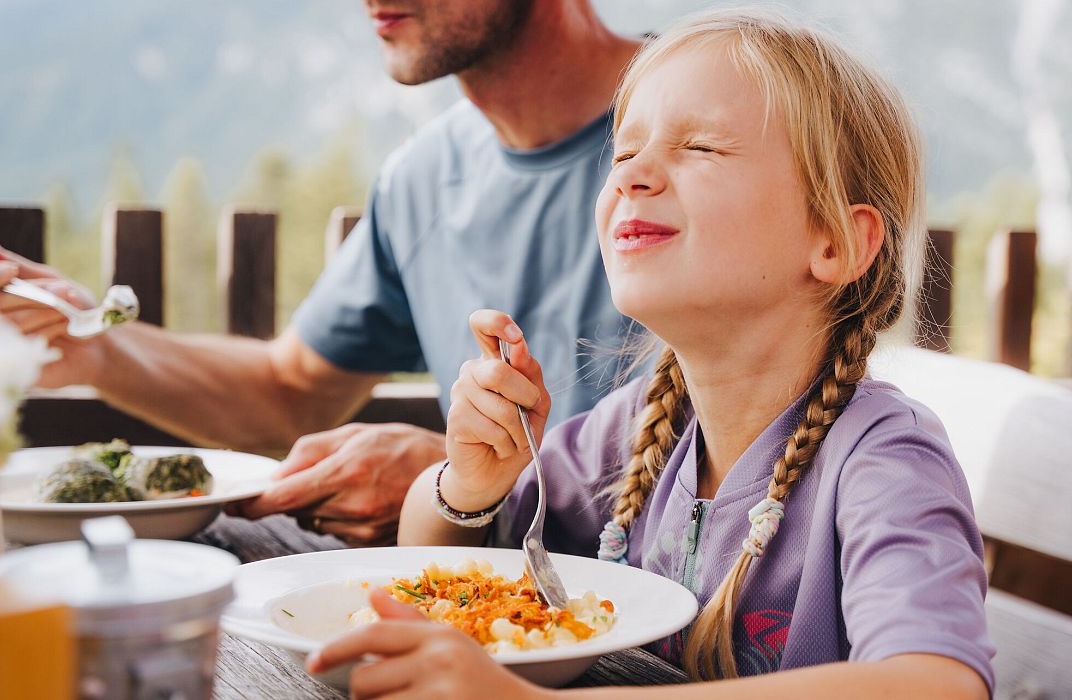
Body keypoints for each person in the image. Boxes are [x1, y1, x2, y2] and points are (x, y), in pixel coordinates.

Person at [306, 9, 994, 698]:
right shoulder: (634, 431)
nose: (634, 176)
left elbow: (936, 684)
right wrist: (466, 489)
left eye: (700, 147)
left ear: (835, 242)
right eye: (624, 152)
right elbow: (441, 565)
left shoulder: (883, 460)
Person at [0, 0, 643, 544]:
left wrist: (460, 484)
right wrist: (98, 345)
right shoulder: (421, 179)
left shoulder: (718, 126)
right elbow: (291, 391)